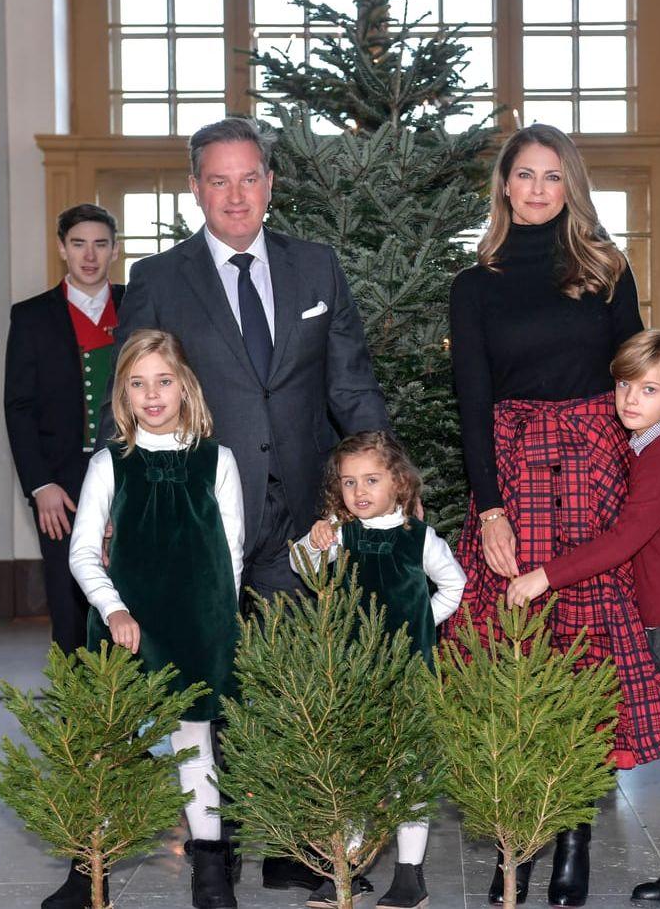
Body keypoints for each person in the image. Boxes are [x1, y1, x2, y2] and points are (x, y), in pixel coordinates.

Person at [103, 116, 389, 893]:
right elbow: (128, 396)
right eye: (218, 180)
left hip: (299, 517)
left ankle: (294, 847)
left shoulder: (316, 269)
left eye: (250, 177)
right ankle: (212, 852)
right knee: (205, 683)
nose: (236, 195)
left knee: (289, 679)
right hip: (196, 519)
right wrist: (118, 507)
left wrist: (383, 484)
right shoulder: (161, 278)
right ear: (195, 187)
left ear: (271, 183)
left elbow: (350, 384)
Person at [448, 124, 660, 907]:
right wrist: (490, 506)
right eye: (524, 175)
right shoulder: (476, 285)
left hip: (598, 464)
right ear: (504, 185)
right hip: (515, 472)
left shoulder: (604, 268)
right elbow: (470, 401)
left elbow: (641, 364)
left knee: (589, 652)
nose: (538, 188)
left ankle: (575, 838)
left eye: (553, 176)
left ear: (571, 186)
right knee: (517, 651)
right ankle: (521, 834)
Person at [508, 330, 660, 909]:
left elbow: (626, 539)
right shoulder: (646, 445)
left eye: (649, 389)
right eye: (623, 384)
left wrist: (545, 575)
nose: (630, 399)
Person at [69, 329, 244, 909]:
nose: (152, 394)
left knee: (196, 739)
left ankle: (211, 873)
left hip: (199, 623)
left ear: (185, 386)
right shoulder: (109, 464)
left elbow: (232, 552)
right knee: (108, 743)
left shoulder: (219, 461)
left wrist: (222, 622)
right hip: (128, 624)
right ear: (122, 394)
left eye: (163, 381)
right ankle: (86, 869)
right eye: (138, 384)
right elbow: (82, 551)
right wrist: (113, 608)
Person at [290, 431, 466, 909]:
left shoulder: (420, 538)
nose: (359, 491)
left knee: (409, 772)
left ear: (399, 484)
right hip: (350, 674)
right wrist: (315, 536)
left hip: (408, 673)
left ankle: (410, 875)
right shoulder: (341, 534)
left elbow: (454, 584)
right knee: (349, 771)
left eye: (371, 480)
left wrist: (423, 620)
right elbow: (303, 563)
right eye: (348, 482)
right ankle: (348, 867)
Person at [4, 203, 124, 657]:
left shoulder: (136, 305)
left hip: (130, 472)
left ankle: (136, 718)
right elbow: (18, 407)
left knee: (131, 592)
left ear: (115, 250)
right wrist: (40, 485)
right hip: (61, 484)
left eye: (99, 244)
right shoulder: (32, 316)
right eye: (78, 244)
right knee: (70, 599)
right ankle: (79, 720)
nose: (89, 256)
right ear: (62, 249)